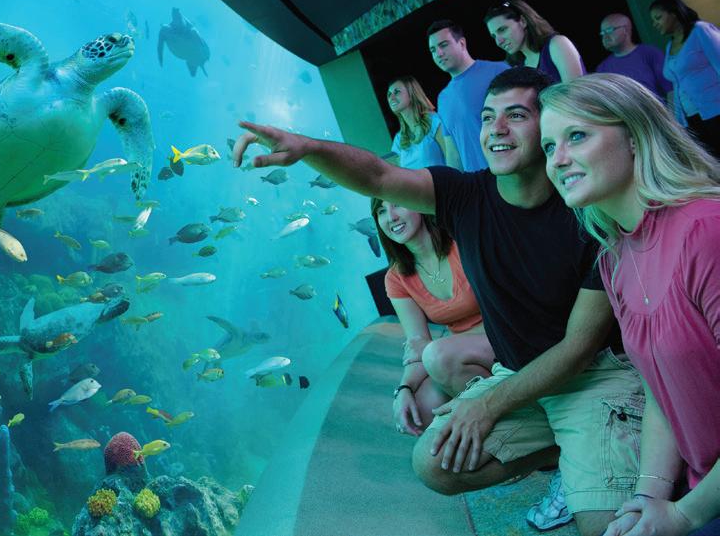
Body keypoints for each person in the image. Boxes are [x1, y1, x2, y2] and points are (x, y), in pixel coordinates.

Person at [232, 67, 643, 536]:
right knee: (432, 463)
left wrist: (485, 406)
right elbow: (378, 176)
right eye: (487, 117)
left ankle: (602, 447)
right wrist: (309, 148)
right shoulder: (465, 196)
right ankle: (565, 454)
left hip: (591, 376)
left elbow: (578, 348)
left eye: (515, 116)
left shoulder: (586, 211)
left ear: (548, 127)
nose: (496, 130)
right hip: (518, 373)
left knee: (603, 528)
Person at [539, 73, 720, 536]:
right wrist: (647, 496)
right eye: (548, 146)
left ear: (636, 136)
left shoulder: (707, 229)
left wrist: (685, 515)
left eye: (577, 136)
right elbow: (663, 391)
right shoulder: (615, 259)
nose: (558, 159)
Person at [372, 197, 494, 436]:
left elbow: (429, 350)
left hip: (506, 337)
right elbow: (417, 344)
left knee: (439, 356)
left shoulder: (461, 240)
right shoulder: (396, 278)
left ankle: (509, 414)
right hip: (457, 353)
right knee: (419, 410)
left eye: (397, 203)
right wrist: (404, 389)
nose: (391, 217)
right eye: (381, 211)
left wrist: (437, 348)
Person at [427, 20, 509, 173]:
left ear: (462, 43)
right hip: (478, 183)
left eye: (443, 45)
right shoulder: (443, 98)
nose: (438, 53)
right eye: (433, 50)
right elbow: (453, 154)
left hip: (513, 176)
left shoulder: (499, 71)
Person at [649, 0, 720, 156]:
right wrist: (678, 119)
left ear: (673, 13)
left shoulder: (700, 30)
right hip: (691, 117)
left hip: (715, 109)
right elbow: (677, 84)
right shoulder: (669, 46)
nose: (654, 24)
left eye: (658, 18)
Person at [484, 0, 586, 83]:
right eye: (494, 36)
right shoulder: (518, 67)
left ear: (523, 21)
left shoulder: (557, 44)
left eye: (502, 30)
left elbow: (576, 95)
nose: (499, 41)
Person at [386, 75, 460, 169]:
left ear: (411, 93)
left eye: (397, 92)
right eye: (389, 94)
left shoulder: (434, 122)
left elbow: (454, 161)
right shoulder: (399, 139)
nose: (391, 98)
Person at [595, 13, 672, 101]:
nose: (605, 37)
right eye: (602, 33)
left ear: (626, 30)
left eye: (609, 30)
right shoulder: (602, 69)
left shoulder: (650, 53)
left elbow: (670, 89)